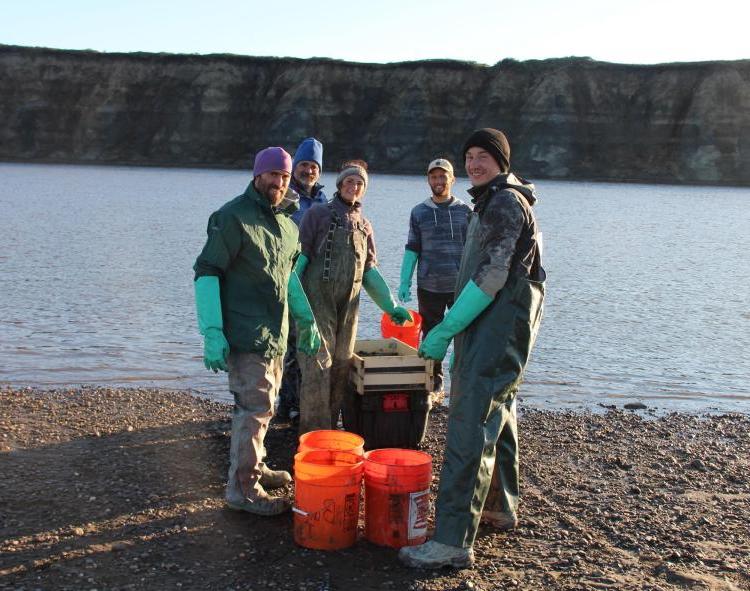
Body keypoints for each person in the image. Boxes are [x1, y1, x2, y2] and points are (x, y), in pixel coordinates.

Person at [400, 129, 546, 568]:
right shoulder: (491, 200)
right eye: (469, 156)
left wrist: (444, 330)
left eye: (484, 156)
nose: (474, 164)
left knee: (470, 423)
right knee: (498, 411)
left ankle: (451, 540)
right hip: (495, 327)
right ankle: (499, 507)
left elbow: (494, 276)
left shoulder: (503, 203)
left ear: (502, 160)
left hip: (497, 326)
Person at [193, 146, 321, 516]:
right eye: (272, 175)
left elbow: (289, 280)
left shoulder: (287, 226)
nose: (278, 182)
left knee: (264, 408)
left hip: (276, 334)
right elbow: (207, 272)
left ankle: (257, 465)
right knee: (254, 408)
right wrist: (212, 330)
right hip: (245, 333)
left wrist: (307, 320)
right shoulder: (232, 217)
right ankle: (242, 489)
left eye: (283, 176)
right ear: (257, 175)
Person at [295, 161, 411, 434]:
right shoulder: (317, 215)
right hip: (316, 305)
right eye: (349, 181)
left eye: (360, 184)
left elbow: (370, 271)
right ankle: (312, 434)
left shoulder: (365, 225)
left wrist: (391, 305)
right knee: (316, 367)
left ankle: (331, 429)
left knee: (342, 367)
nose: (354, 187)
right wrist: (293, 301)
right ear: (339, 184)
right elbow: (299, 262)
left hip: (349, 308)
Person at [398, 158, 471, 395]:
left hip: (460, 286)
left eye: (443, 176)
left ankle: (462, 379)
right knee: (431, 333)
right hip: (429, 285)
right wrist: (404, 281)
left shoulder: (466, 211)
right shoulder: (419, 212)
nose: (438, 181)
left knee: (465, 332)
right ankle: (434, 379)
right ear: (428, 179)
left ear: (452, 179)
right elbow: (412, 248)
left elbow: (474, 248)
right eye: (434, 177)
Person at [277, 137, 328, 424]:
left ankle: (301, 402)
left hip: (314, 283)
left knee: (308, 345)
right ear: (295, 167)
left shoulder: (323, 200)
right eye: (304, 165)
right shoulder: (284, 195)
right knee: (287, 345)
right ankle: (287, 404)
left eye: (313, 166)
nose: (308, 171)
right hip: (286, 278)